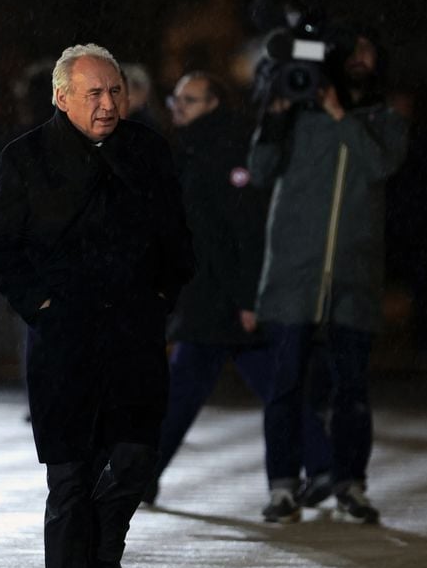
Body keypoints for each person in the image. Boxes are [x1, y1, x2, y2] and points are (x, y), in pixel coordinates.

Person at [0, 44, 193, 568]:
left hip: (133, 333)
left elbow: (176, 236)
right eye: (94, 93)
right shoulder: (25, 158)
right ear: (61, 97)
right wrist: (43, 307)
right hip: (64, 340)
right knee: (71, 471)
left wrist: (160, 298)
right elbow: (0, 249)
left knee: (133, 460)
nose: (107, 104)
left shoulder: (146, 150)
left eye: (115, 91)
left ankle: (105, 557)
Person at [142, 71, 332, 522]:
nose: (178, 105)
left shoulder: (223, 147)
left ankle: (143, 473)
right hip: (209, 290)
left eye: (190, 98)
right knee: (258, 382)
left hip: (221, 294)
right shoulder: (192, 143)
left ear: (213, 102)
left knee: (188, 387)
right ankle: (324, 461)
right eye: (177, 97)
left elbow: (242, 231)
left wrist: (249, 298)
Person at [248, 29, 408, 523]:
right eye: (353, 50)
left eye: (369, 50)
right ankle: (281, 486)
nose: (361, 58)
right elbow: (258, 170)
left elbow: (380, 164)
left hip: (353, 277)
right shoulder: (297, 114)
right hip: (294, 274)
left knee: (352, 391)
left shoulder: (385, 119)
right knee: (286, 385)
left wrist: (341, 115)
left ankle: (351, 484)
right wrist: (273, 119)